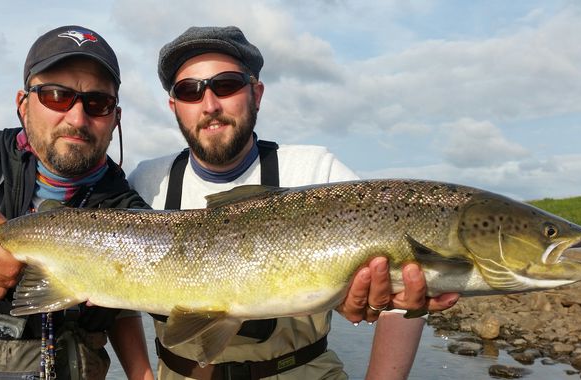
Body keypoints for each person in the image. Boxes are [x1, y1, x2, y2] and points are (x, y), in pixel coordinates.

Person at [129, 26, 459, 379]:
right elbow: (116, 299)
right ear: (174, 105)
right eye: (189, 91)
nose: (209, 105)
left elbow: (404, 288)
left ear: (256, 93)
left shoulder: (317, 171)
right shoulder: (146, 182)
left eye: (226, 85)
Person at [0, 25, 154, 379]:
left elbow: (125, 304)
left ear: (116, 117)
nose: (77, 119)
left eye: (98, 103)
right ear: (23, 103)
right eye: (55, 96)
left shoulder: (127, 210)